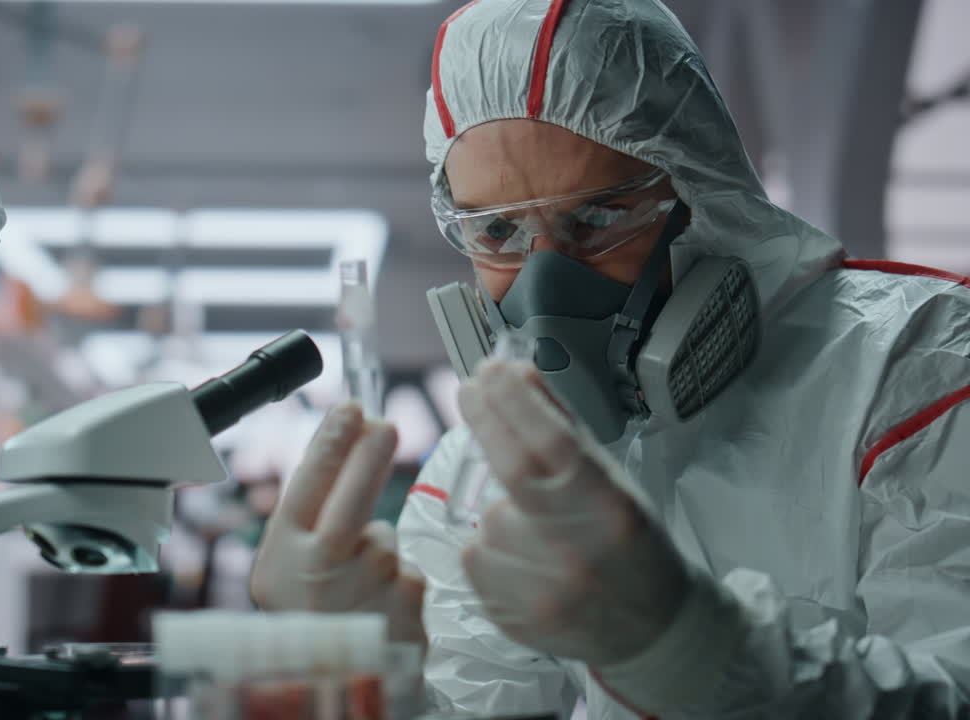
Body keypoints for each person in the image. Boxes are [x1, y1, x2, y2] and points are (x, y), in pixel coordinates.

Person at [250, 0, 970, 717]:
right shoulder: (484, 478)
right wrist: (368, 688)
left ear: (700, 201)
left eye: (594, 218)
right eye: (496, 230)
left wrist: (687, 648)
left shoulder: (913, 366)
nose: (544, 280)